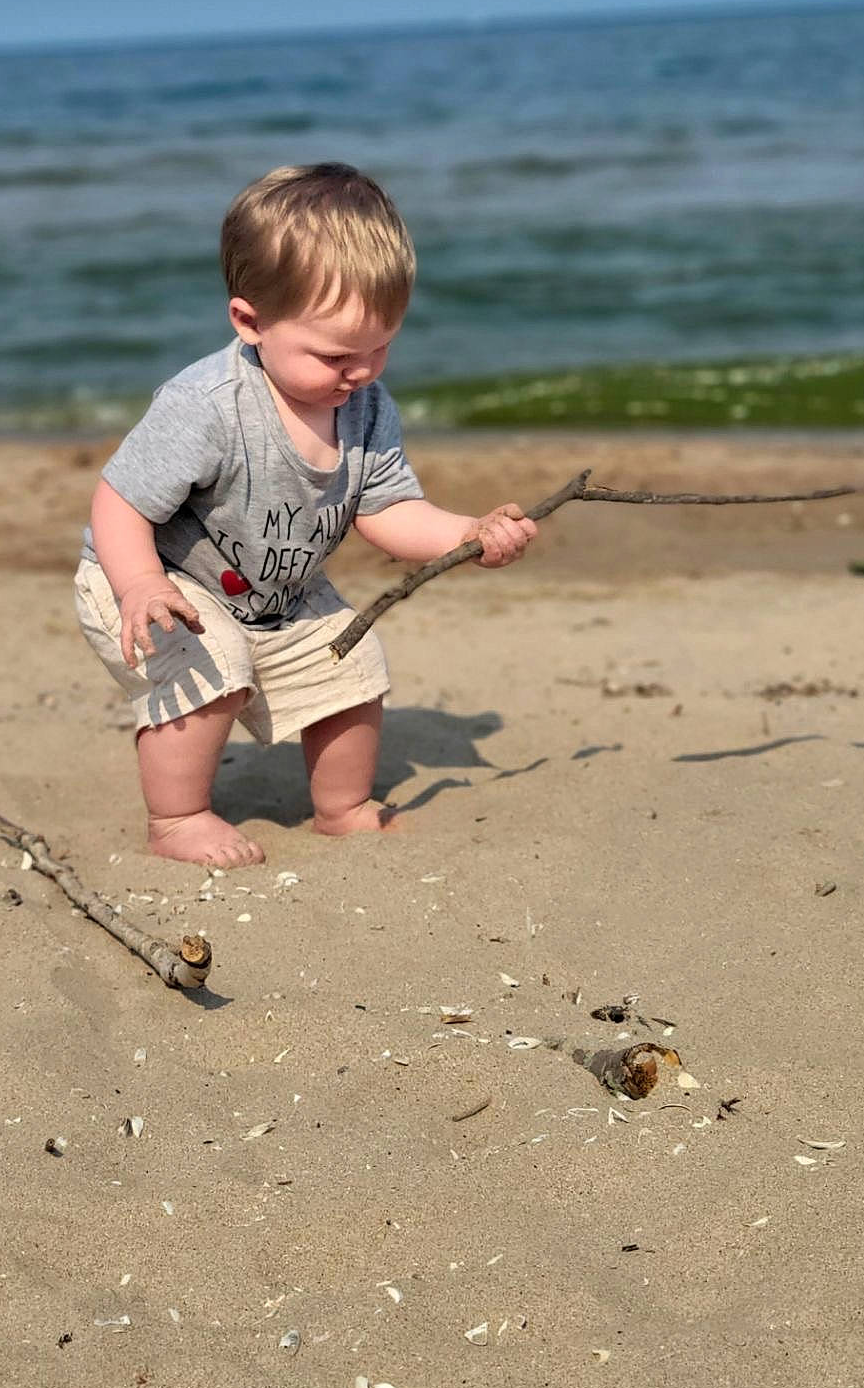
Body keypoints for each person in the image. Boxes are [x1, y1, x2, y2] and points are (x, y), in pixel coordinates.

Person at [73, 162, 536, 867]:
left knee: (352, 663)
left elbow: (389, 509)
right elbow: (120, 501)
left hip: (278, 593)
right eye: (335, 355)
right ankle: (177, 818)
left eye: (381, 347)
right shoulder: (208, 407)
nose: (362, 371)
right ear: (250, 322)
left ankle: (341, 808)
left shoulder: (367, 408)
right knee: (210, 665)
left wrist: (467, 535)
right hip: (153, 580)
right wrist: (140, 583)